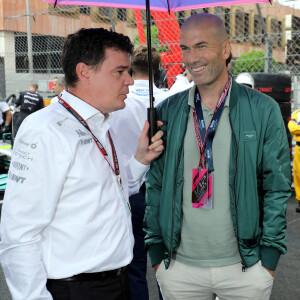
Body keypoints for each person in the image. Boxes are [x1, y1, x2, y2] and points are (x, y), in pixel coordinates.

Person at [0, 28, 164, 300]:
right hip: (76, 289)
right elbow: (19, 234)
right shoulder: (46, 131)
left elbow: (114, 191)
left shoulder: (101, 123)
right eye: (119, 72)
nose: (130, 82)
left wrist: (139, 160)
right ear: (84, 72)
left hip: (118, 283)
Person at [144, 13, 291, 300]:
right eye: (185, 48)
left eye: (201, 46)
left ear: (225, 50)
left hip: (246, 269)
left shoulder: (263, 109)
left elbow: (277, 185)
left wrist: (269, 260)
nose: (190, 58)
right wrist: (157, 255)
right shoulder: (167, 111)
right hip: (179, 270)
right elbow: (156, 184)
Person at [111, 45, 168, 300]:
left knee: (132, 264)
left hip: (128, 189)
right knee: (168, 264)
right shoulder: (171, 97)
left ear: (133, 68)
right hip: (162, 191)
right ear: (158, 70)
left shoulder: (117, 100)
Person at [288, 110, 300, 213]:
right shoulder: (297, 113)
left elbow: (295, 128)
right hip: (298, 148)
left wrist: (297, 128)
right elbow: (292, 128)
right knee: (297, 174)